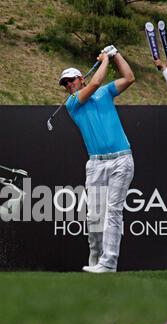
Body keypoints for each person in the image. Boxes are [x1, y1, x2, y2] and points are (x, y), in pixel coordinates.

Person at [59, 46, 135, 273]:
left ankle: (108, 263)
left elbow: (129, 78)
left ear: (79, 78)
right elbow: (93, 84)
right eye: (65, 83)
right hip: (96, 164)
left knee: (113, 211)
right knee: (94, 216)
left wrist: (117, 54)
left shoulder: (106, 92)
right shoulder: (73, 102)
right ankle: (96, 255)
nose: (68, 85)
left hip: (121, 160)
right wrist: (105, 60)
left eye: (71, 80)